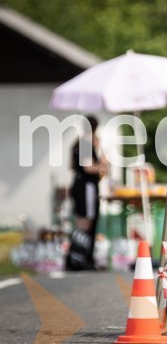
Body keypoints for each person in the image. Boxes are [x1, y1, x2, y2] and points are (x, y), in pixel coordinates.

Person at [67, 115, 109, 271]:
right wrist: (102, 167)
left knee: (83, 221)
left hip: (80, 185)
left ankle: (78, 257)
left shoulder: (78, 143)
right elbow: (88, 167)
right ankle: (80, 258)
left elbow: (72, 166)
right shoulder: (85, 143)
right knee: (86, 222)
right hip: (87, 187)